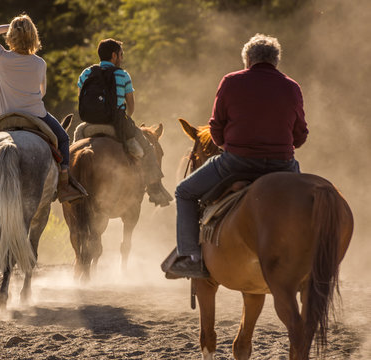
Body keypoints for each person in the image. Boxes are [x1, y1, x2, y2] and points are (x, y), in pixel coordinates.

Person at [166, 33, 308, 278]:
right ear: (276, 61)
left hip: (237, 163)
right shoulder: (292, 86)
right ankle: (308, 256)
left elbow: (216, 128)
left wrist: (227, 146)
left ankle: (190, 257)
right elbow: (300, 136)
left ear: (247, 60)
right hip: (282, 166)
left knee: (184, 192)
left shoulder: (231, 81)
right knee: (306, 204)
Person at [0, 14, 83, 203]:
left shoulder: (1, 57)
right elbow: (42, 92)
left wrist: (11, 26)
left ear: (10, 36)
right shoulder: (40, 63)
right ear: (34, 37)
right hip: (36, 115)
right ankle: (65, 184)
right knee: (64, 139)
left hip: (4, 113)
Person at [77, 38, 173, 207]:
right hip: (117, 123)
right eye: (121, 54)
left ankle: (69, 182)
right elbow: (131, 107)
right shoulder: (122, 75)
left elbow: (81, 99)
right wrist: (124, 118)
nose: (122, 58)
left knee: (75, 146)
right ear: (114, 55)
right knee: (148, 149)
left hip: (89, 124)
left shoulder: (86, 73)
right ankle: (155, 189)